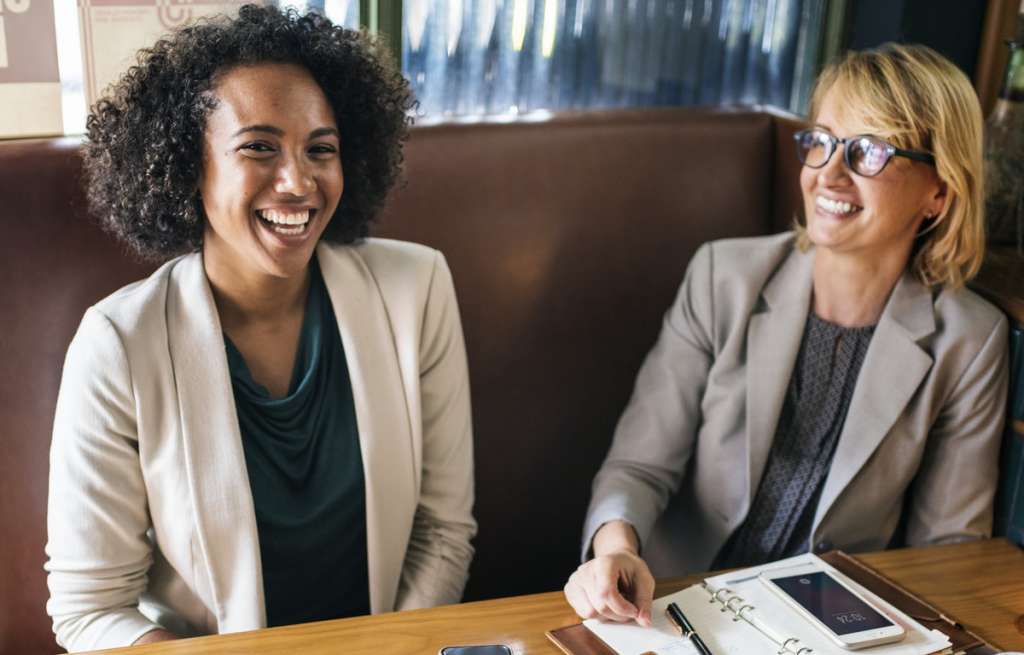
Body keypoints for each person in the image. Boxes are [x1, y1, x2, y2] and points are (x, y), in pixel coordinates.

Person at [45, 6, 476, 651]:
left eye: (320, 149)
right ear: (187, 166)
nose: (299, 182)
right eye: (258, 147)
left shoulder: (418, 289)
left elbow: (442, 533)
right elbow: (90, 609)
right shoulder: (117, 345)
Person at [563, 43, 1008, 627]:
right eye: (821, 140)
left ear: (939, 193)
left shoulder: (970, 340)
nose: (829, 172)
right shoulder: (724, 276)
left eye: (869, 150)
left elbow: (948, 552)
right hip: (672, 609)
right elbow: (638, 467)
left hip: (834, 630)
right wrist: (615, 550)